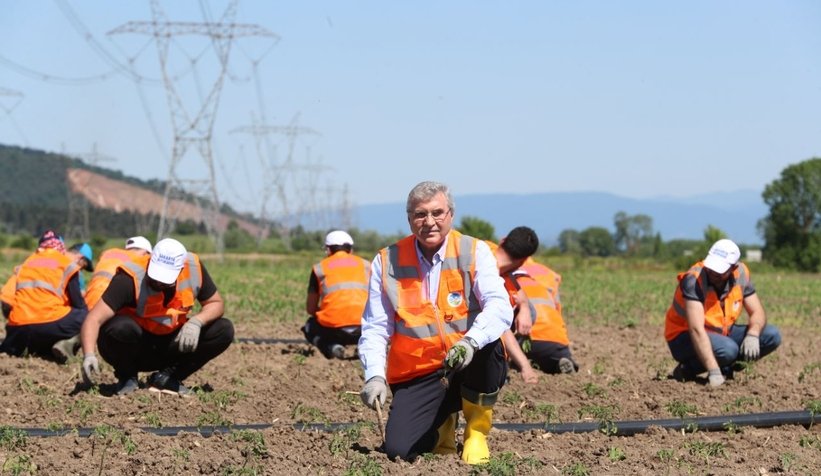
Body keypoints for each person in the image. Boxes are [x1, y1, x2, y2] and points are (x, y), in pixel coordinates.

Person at [358, 181, 513, 465]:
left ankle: (476, 433)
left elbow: (500, 306)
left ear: (450, 215)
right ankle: (442, 426)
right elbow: (375, 327)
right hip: (419, 372)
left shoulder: (474, 251)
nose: (429, 222)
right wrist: (375, 376)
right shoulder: (387, 261)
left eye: (437, 213)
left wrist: (469, 342)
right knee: (398, 451)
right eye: (420, 214)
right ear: (409, 219)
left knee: (489, 344)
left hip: (467, 357)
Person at [79, 238, 234, 396]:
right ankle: (127, 377)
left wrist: (196, 322)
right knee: (120, 327)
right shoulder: (129, 278)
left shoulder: (193, 268)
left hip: (171, 346)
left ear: (180, 270)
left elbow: (216, 303)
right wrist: (89, 355)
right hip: (135, 349)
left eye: (165, 280)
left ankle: (167, 378)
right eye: (155, 275)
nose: (158, 282)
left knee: (223, 329)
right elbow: (94, 319)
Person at [665, 238, 782, 387]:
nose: (714, 273)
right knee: (728, 350)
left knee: (771, 335)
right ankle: (688, 369)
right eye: (712, 268)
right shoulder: (694, 280)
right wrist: (713, 371)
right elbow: (696, 329)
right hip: (683, 337)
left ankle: (727, 367)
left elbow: (757, 312)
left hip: (721, 334)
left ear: (733, 268)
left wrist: (753, 334)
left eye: (720, 271)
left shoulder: (741, 274)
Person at [0, 230, 88, 363]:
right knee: (86, 315)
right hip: (49, 324)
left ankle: (31, 347)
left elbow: (8, 300)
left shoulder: (27, 262)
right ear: (61, 247)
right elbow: (78, 304)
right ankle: (66, 345)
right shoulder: (66, 264)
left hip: (18, 328)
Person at [302, 230, 370, 359]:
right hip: (364, 327)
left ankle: (331, 347)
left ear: (328, 250)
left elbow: (310, 309)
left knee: (309, 326)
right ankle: (365, 347)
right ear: (351, 249)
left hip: (333, 330)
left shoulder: (319, 269)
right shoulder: (367, 265)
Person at [85, 236, 153, 309]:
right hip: (108, 303)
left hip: (89, 300)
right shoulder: (141, 259)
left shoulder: (108, 253)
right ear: (145, 252)